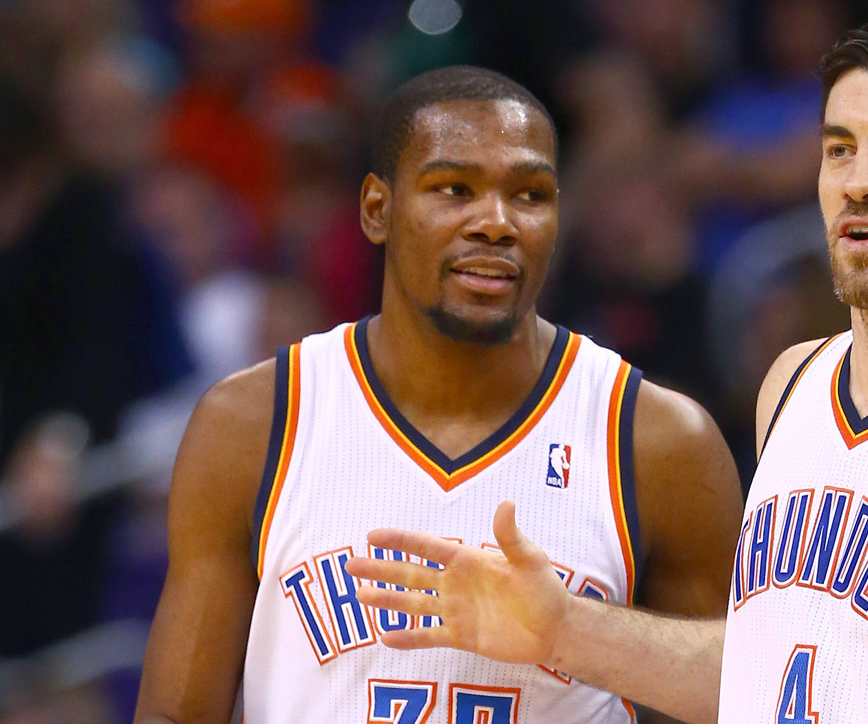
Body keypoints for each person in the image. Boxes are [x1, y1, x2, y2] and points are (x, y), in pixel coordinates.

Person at [346, 18, 868, 724]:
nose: (860, 183)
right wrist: (565, 628)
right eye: (839, 149)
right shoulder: (795, 383)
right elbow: (776, 668)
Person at [132, 66, 743, 723]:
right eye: (455, 189)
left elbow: (742, 697)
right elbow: (175, 714)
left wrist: (572, 629)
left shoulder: (657, 440)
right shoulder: (254, 423)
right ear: (378, 209)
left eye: (530, 195)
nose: (496, 222)